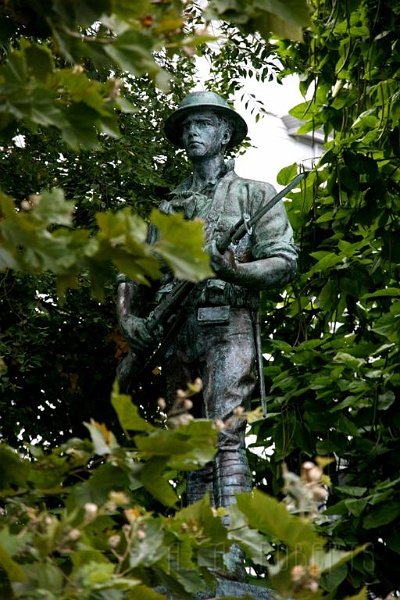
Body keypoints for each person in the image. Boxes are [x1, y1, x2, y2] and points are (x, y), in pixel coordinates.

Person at [116, 91, 297, 579]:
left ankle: (234, 547)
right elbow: (132, 270)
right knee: (189, 442)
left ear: (225, 134)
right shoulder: (168, 207)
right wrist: (128, 317)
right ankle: (197, 551)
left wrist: (235, 270)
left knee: (225, 433)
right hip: (176, 333)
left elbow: (283, 261)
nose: (193, 132)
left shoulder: (255, 195)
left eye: (204, 124)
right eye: (187, 126)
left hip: (228, 322)